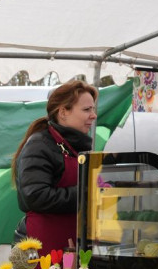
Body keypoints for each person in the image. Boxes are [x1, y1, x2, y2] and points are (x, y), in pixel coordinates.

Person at [11, 80, 98, 252]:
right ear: (63, 112)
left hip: (71, 243)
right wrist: (85, 193)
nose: (93, 115)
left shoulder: (78, 147)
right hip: (44, 244)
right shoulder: (40, 144)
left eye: (93, 109)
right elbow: (35, 195)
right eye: (86, 109)